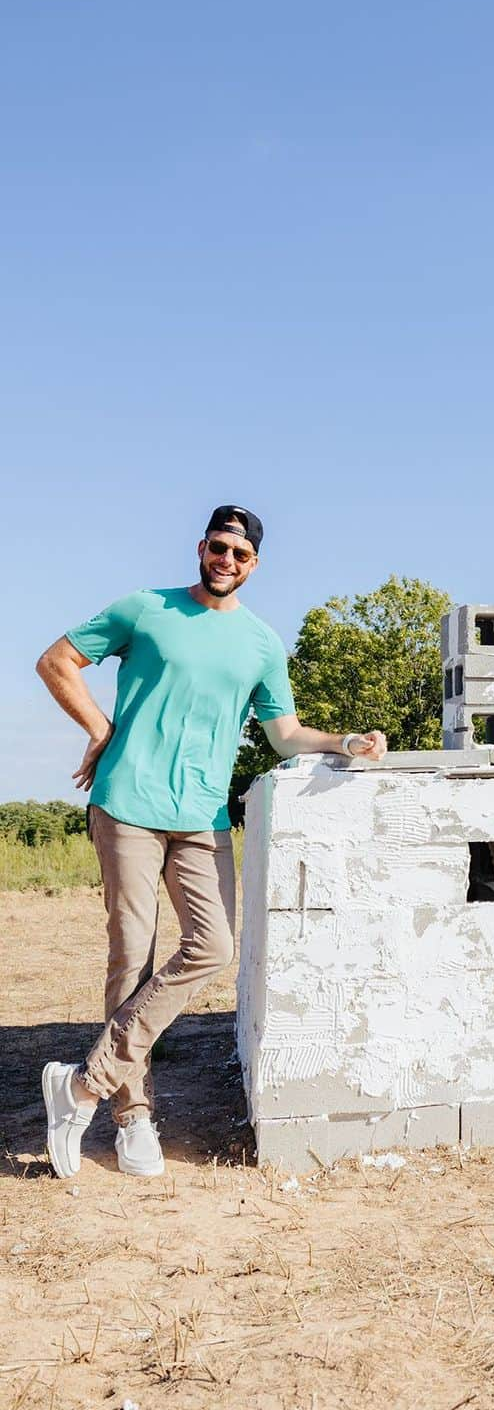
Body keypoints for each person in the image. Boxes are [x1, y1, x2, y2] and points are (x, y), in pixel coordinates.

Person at [35, 504, 387, 1180]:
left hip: (201, 816)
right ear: (201, 549)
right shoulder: (145, 609)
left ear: (255, 564)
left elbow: (284, 735)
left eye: (240, 553)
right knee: (132, 957)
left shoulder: (260, 643)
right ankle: (133, 1116)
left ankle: (83, 1083)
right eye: (219, 547)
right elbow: (57, 661)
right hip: (127, 805)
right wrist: (101, 732)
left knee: (215, 945)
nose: (227, 560)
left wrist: (346, 743)